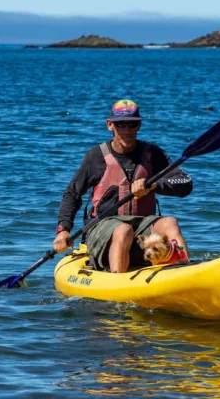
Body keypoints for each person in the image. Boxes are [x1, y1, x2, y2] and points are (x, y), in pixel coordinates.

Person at [52, 99, 193, 273]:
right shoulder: (95, 157)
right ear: (110, 125)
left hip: (142, 230)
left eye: (132, 125)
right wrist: (63, 230)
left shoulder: (153, 154)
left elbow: (185, 184)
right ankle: (117, 283)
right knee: (123, 229)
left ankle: (185, 270)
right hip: (103, 229)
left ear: (139, 125)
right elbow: (72, 194)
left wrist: (153, 186)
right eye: (121, 125)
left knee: (169, 222)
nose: (126, 130)